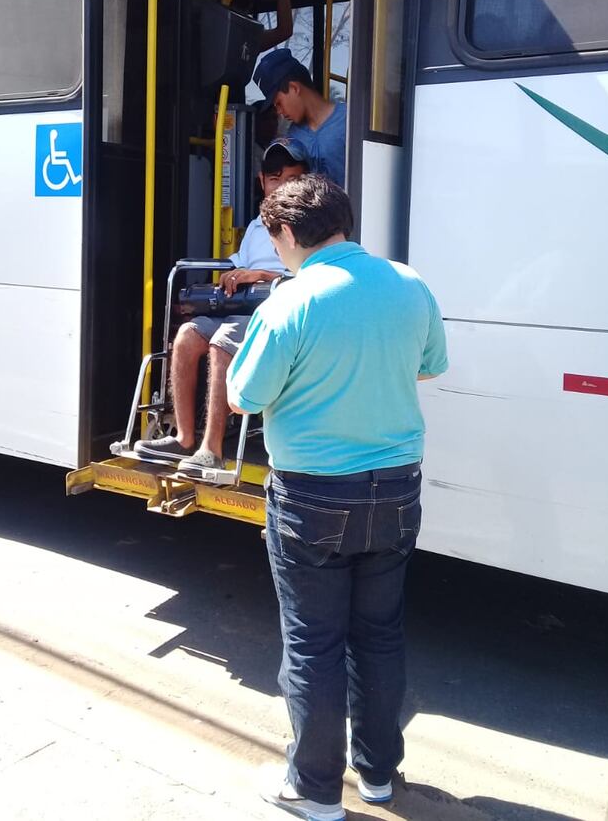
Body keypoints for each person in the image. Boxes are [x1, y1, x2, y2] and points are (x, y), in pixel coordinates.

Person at [226, 175, 448, 821]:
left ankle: (316, 790)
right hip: (398, 490)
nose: (278, 254)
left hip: (313, 499)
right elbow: (431, 363)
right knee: (380, 636)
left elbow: (245, 395)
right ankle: (379, 777)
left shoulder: (289, 303)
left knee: (314, 643)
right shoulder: (409, 284)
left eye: (276, 241)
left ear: (289, 235)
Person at [134, 139, 309, 473]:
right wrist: (230, 279)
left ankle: (211, 448)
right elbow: (237, 265)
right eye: (275, 179)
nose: (282, 187)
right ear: (262, 182)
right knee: (187, 334)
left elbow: (309, 276)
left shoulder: (307, 226)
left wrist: (261, 275)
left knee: (222, 340)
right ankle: (183, 437)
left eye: (291, 180)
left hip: (273, 313)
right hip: (239, 307)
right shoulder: (257, 227)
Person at [253, 48, 347, 186]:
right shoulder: (289, 141)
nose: (279, 112)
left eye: (279, 103)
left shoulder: (350, 121)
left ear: (294, 88)